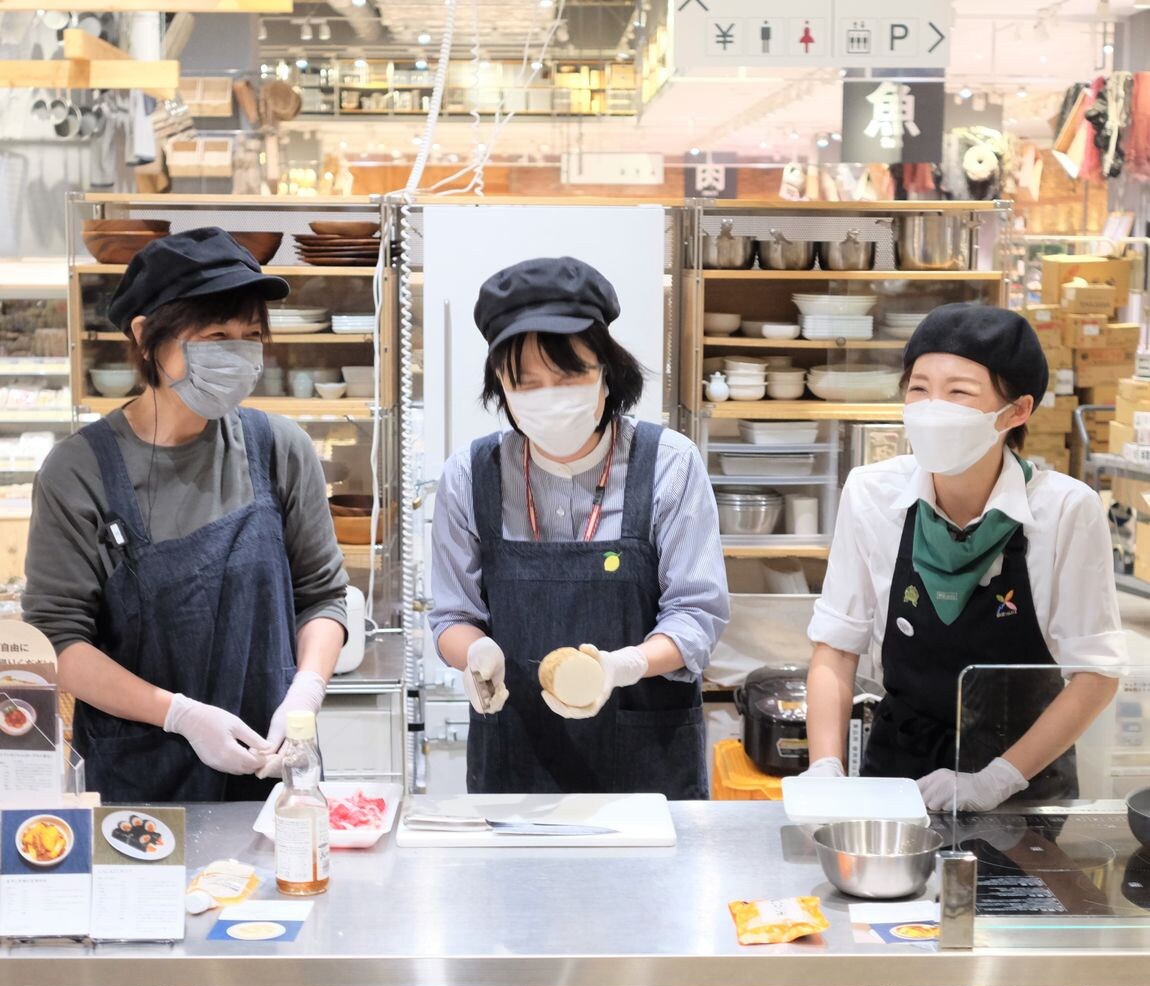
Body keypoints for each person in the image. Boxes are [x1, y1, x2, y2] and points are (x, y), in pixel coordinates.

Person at [23, 227, 348, 803]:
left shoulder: (279, 450)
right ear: (147, 336)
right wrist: (180, 715)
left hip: (271, 772)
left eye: (250, 335)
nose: (239, 353)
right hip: (142, 784)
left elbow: (322, 596)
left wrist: (306, 690)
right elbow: (58, 642)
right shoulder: (79, 472)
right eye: (217, 335)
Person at [804, 303, 1125, 811]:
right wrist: (824, 768)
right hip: (897, 775)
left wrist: (994, 781)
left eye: (958, 393)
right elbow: (837, 649)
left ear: (1016, 411)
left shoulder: (1065, 509)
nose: (932, 407)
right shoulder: (871, 493)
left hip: (1023, 785)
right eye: (918, 388)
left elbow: (1097, 675)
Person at [429, 255, 728, 797]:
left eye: (570, 375)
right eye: (527, 381)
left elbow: (697, 613)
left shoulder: (668, 464)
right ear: (501, 383)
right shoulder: (470, 476)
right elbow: (452, 614)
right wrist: (475, 653)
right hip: (514, 760)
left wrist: (627, 665)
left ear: (607, 371)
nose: (550, 396)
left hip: (646, 759)